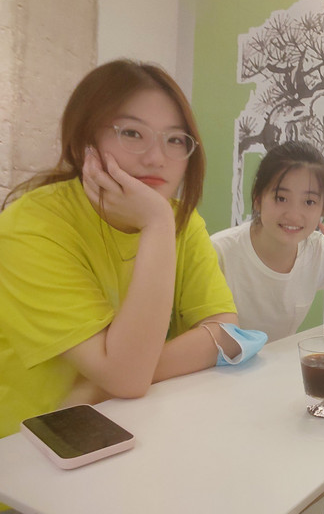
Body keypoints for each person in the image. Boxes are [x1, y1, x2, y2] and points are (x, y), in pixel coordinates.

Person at [0, 60, 265, 444]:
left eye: (175, 139)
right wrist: (156, 224)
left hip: (136, 432)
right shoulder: (31, 226)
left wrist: (97, 387)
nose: (157, 157)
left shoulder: (180, 220)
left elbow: (225, 331)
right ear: (84, 141)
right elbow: (128, 377)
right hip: (32, 454)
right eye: (131, 133)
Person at [211, 140, 324, 340]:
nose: (294, 215)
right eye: (281, 198)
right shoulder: (218, 253)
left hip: (281, 361)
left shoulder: (318, 250)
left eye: (309, 202)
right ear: (257, 198)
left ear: (323, 209)